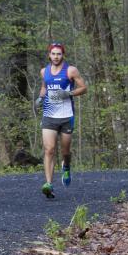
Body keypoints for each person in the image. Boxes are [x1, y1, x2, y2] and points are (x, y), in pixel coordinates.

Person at [35, 42, 86, 198]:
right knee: (49, 149)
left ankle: (66, 166)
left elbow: (84, 88)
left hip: (66, 116)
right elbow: (45, 86)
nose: (56, 56)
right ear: (49, 55)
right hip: (49, 115)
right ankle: (49, 184)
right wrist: (40, 98)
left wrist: (69, 94)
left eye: (59, 54)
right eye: (53, 54)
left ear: (63, 55)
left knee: (65, 151)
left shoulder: (70, 70)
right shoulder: (44, 71)